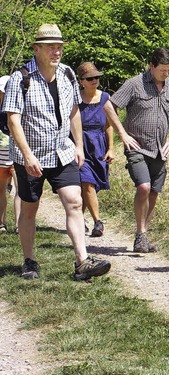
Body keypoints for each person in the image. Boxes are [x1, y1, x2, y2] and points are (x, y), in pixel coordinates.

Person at [1, 24, 111, 280]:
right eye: (51, 47)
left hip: (63, 152)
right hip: (31, 157)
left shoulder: (68, 74)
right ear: (37, 49)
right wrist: (27, 155)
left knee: (74, 202)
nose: (57, 52)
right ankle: (29, 261)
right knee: (30, 209)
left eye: (60, 47)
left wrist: (79, 146)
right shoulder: (21, 78)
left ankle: (82, 263)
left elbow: (74, 111)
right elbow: (13, 120)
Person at [110, 48, 169, 253]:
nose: (166, 74)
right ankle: (140, 234)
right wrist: (123, 134)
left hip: (160, 151)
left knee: (154, 192)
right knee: (143, 187)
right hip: (137, 147)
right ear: (152, 66)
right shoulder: (134, 84)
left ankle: (143, 235)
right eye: (163, 70)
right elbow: (110, 106)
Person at [76, 62, 138, 237]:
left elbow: (109, 125)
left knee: (90, 188)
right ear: (81, 81)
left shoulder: (105, 98)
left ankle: (77, 219)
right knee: (87, 182)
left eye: (96, 77)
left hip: (99, 146)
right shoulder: (75, 99)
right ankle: (98, 222)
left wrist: (111, 148)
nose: (95, 80)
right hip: (81, 144)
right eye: (90, 78)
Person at [0, 75, 21, 233]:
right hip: (1, 157)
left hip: (17, 155)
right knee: (1, 191)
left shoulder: (20, 107)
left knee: (20, 191)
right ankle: (1, 224)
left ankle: (20, 225)